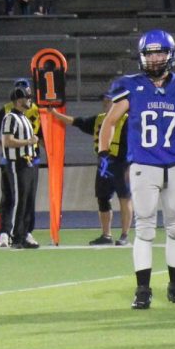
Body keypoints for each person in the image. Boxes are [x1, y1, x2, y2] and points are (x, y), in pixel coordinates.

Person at [98, 31, 175, 309]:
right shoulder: (132, 86)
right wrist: (105, 152)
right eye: (149, 53)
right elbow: (110, 121)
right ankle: (143, 290)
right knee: (145, 228)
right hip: (144, 166)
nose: (154, 59)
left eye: (159, 53)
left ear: (170, 54)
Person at [45, 102, 134, 246]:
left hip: (122, 163)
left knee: (125, 198)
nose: (106, 103)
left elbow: (137, 144)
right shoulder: (99, 119)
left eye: (109, 101)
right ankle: (106, 235)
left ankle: (124, 235)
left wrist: (131, 166)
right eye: (104, 101)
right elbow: (76, 121)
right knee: (103, 198)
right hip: (104, 164)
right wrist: (55, 114)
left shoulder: (128, 120)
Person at [0, 78, 42, 248]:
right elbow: (7, 140)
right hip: (16, 162)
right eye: (26, 97)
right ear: (19, 100)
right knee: (16, 198)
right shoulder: (9, 117)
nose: (29, 99)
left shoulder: (24, 117)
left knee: (26, 198)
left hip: (28, 161)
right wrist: (28, 142)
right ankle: (10, 234)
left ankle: (23, 233)